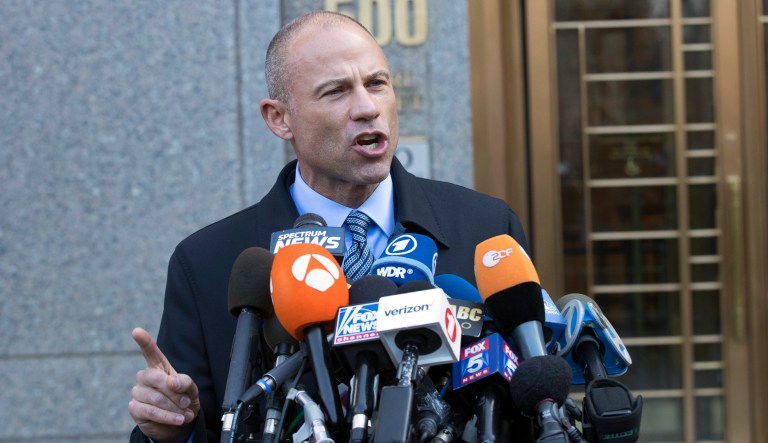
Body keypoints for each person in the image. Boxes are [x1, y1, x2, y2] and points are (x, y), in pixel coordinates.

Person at [128, 10, 529, 442]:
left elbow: (531, 404)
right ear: (279, 118)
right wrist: (172, 430)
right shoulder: (207, 263)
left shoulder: (486, 228)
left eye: (377, 83)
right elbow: (193, 422)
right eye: (336, 91)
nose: (367, 107)